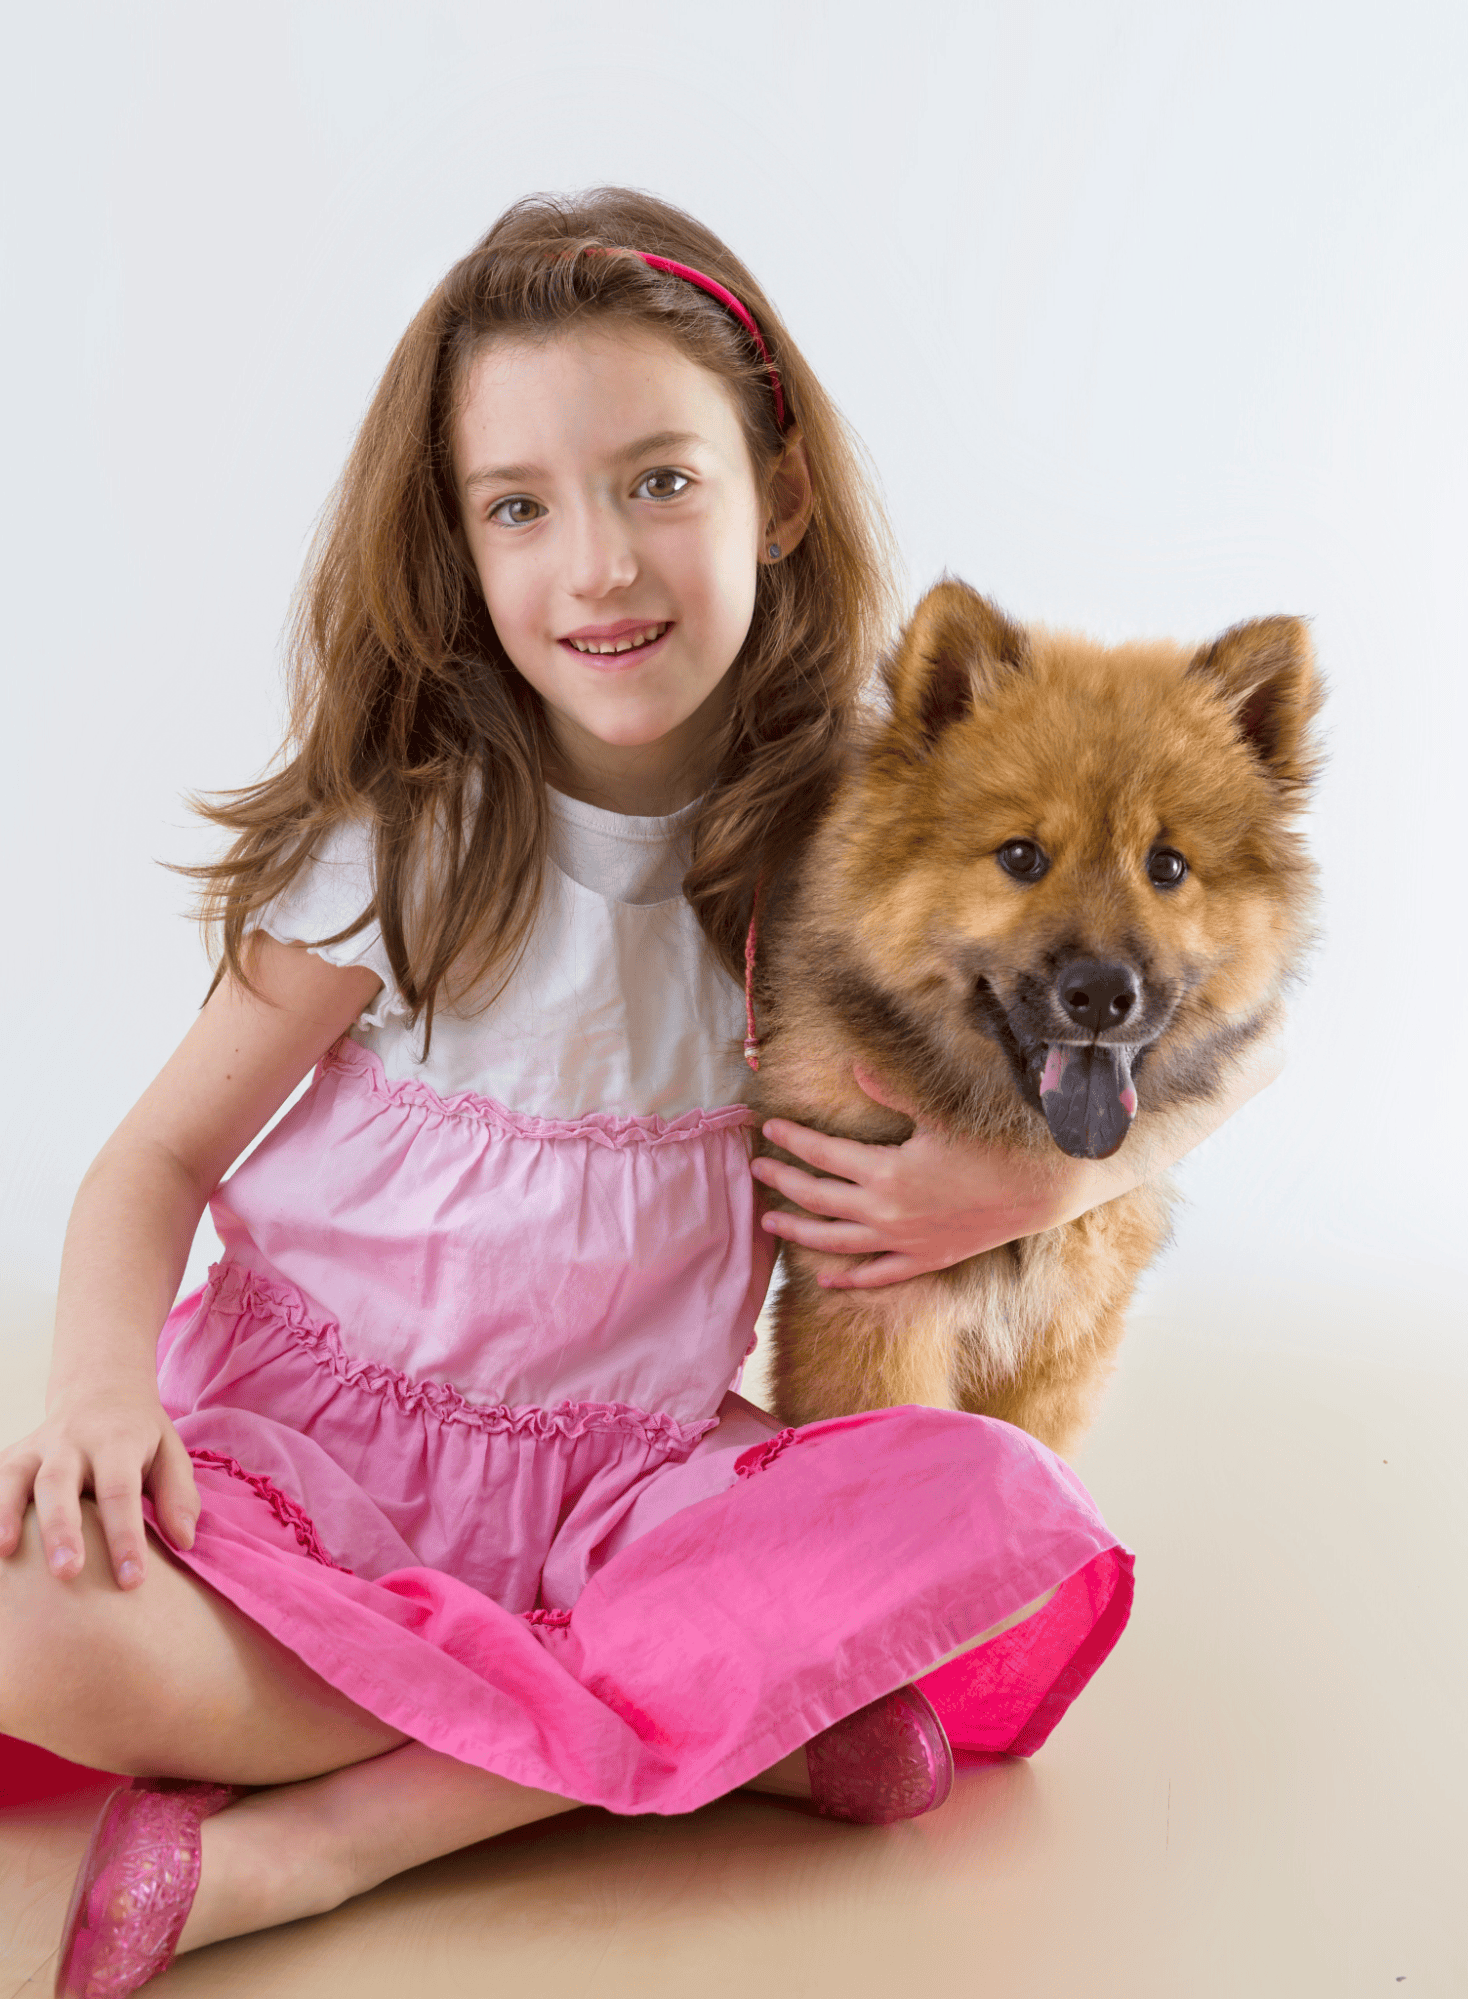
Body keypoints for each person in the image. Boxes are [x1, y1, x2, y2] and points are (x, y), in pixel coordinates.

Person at [0, 189, 1277, 1995]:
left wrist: (1039, 1192)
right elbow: (155, 1154)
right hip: (319, 1462)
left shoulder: (852, 830)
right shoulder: (412, 832)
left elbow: (1228, 1049)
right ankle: (704, 1724)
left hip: (630, 1482)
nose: (596, 564)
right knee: (34, 1629)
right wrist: (92, 1398)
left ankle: (306, 1847)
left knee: (998, 1513)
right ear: (459, 546)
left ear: (783, 494)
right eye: (521, 506)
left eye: (659, 481)